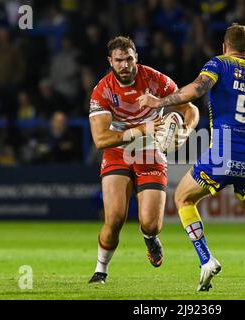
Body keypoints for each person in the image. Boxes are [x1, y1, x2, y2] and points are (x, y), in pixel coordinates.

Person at [138, 24, 245, 291]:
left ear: (224, 46)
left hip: (223, 151)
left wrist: (157, 102)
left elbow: (196, 89)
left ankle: (206, 259)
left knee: (183, 198)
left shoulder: (219, 65)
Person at [88, 36, 199, 284]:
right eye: (119, 61)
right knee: (115, 218)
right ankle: (100, 269)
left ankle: (150, 239)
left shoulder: (155, 80)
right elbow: (100, 139)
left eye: (129, 59)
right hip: (118, 151)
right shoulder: (102, 90)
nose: (125, 65)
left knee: (151, 224)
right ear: (110, 62)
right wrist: (139, 130)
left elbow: (190, 109)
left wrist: (186, 131)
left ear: (136, 57)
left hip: (150, 151)